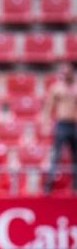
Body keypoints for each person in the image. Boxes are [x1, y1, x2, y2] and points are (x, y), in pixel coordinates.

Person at [43, 62, 77, 193]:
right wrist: (46, 123)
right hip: (61, 124)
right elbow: (48, 106)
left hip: (74, 124)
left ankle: (75, 185)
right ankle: (48, 185)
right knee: (56, 155)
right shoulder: (57, 88)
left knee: (75, 156)